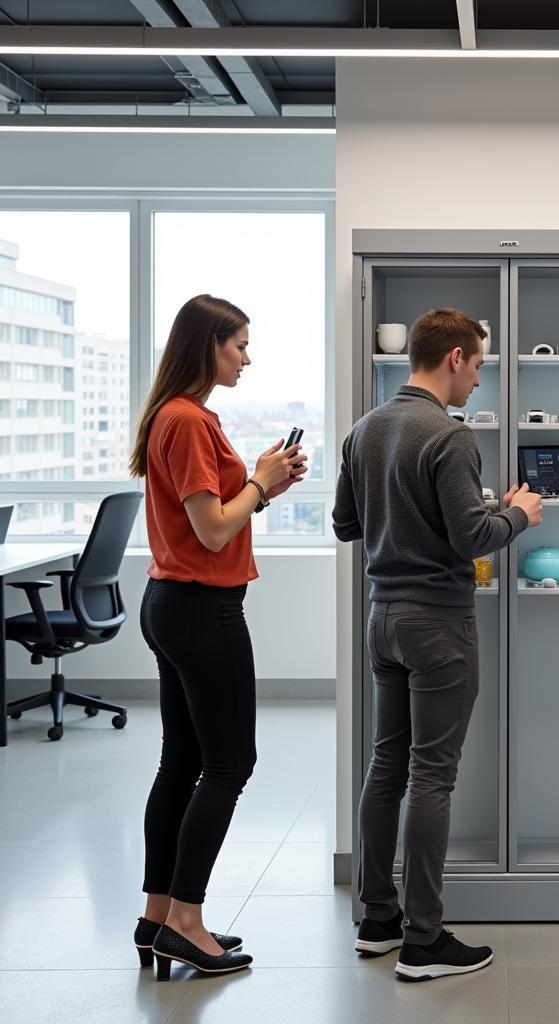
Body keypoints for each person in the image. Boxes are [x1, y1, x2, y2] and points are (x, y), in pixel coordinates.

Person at [333, 306, 542, 981]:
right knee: (432, 775)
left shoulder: (363, 429)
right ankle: (424, 941)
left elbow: (345, 525)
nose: (479, 379)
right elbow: (471, 539)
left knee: (385, 766)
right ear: (453, 358)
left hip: (382, 619)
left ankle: (376, 919)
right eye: (478, 364)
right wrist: (519, 514)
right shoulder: (450, 437)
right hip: (439, 625)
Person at [129, 294, 307, 979]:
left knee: (182, 762)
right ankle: (186, 922)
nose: (246, 357)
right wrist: (260, 486)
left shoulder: (175, 417)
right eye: (238, 345)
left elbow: (214, 512)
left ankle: (155, 916)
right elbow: (214, 529)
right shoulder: (189, 420)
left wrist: (262, 481)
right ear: (207, 345)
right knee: (230, 764)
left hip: (170, 601)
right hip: (203, 609)